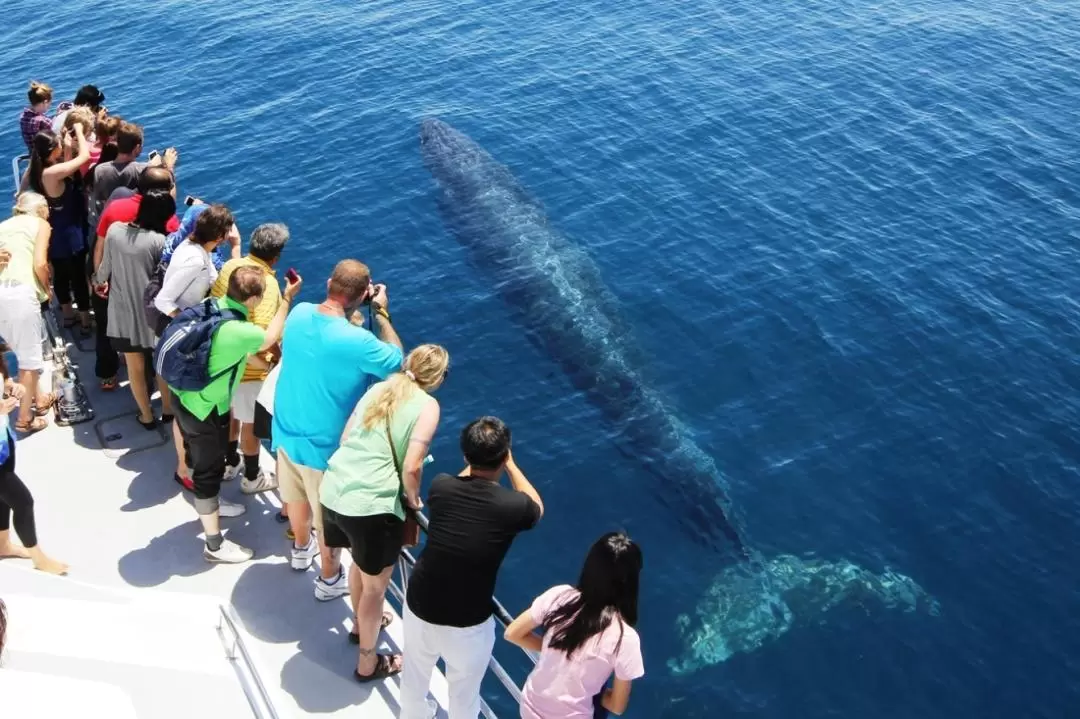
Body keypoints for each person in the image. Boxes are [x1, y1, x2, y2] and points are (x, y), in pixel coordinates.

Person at [272, 259, 403, 600]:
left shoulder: (299, 312)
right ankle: (329, 579)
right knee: (326, 520)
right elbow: (396, 362)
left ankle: (301, 552)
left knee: (295, 499)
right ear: (362, 295)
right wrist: (383, 313)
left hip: (286, 431)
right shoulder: (357, 341)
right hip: (323, 447)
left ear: (329, 282)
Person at [320, 344, 450, 682]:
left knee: (359, 569)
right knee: (376, 588)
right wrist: (413, 499)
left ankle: (358, 625)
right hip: (371, 507)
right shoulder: (428, 405)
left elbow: (347, 436)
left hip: (335, 490)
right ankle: (367, 662)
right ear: (437, 378)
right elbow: (412, 467)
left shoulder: (380, 388)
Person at [399, 417, 544, 719]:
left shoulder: (441, 487)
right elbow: (536, 506)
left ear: (465, 457)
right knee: (464, 697)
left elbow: (463, 481)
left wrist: (481, 460)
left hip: (420, 603)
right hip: (467, 623)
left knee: (414, 679)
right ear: (504, 456)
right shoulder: (512, 507)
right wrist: (512, 466)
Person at [171, 266, 301, 564]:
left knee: (209, 463)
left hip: (185, 397)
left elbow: (243, 353)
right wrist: (286, 299)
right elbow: (269, 339)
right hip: (203, 408)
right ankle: (214, 546)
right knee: (205, 473)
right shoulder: (241, 330)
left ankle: (214, 502)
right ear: (253, 300)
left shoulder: (211, 307)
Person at [505, 533, 645, 719]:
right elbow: (617, 706)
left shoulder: (560, 595)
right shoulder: (624, 638)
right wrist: (591, 685)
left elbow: (512, 633)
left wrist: (554, 648)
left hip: (530, 707)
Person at [208, 223, 289, 495]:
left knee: (231, 417)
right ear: (275, 257)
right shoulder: (270, 286)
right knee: (251, 429)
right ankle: (252, 478)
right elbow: (266, 335)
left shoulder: (232, 268)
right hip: (250, 373)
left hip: (222, 363)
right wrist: (272, 363)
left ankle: (230, 463)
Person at [91, 166, 181, 391]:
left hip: (117, 289)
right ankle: (155, 388)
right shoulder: (169, 222)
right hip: (151, 297)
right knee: (152, 344)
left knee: (106, 330)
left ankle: (107, 375)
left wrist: (99, 280)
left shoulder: (115, 209)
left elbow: (99, 247)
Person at [0, 345, 68, 574]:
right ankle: (39, 559)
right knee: (23, 502)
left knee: (2, 500)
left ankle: (3, 545)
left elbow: (4, 381)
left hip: (3, 441)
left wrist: (11, 386)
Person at [26, 126, 91, 334]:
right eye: (59, 145)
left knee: (61, 276)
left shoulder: (38, 171)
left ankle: (68, 316)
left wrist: (66, 145)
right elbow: (85, 156)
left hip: (54, 234)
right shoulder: (52, 172)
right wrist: (80, 132)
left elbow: (68, 171)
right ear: (52, 150)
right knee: (78, 277)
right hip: (71, 235)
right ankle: (85, 320)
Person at [0, 194, 52, 434]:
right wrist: (47, 289)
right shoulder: (41, 224)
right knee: (30, 361)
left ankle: (39, 399)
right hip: (19, 295)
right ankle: (24, 419)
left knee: (22, 349)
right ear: (40, 209)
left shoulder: (4, 225)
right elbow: (40, 263)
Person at [90, 121, 176, 223]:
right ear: (137, 148)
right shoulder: (142, 170)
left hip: (106, 221)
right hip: (131, 223)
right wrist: (169, 167)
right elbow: (167, 194)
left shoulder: (99, 169)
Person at [19, 81, 56, 152]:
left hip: (32, 154)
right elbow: (55, 134)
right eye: (49, 104)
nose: (49, 107)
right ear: (45, 102)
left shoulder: (22, 116)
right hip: (46, 156)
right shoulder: (43, 120)